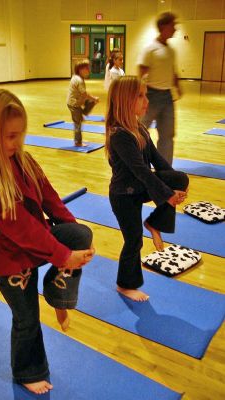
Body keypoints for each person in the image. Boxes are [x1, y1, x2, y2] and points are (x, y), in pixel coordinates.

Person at [0, 88, 94, 394]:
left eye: (20, 135)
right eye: (9, 137)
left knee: (80, 235)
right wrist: (62, 257)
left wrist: (74, 245)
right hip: (11, 263)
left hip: (35, 248)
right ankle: (26, 371)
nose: (16, 143)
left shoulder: (24, 160)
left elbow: (50, 197)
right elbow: (20, 227)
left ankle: (57, 295)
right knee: (27, 321)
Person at [105, 76, 189, 302]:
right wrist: (167, 196)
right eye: (140, 96)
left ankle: (154, 222)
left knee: (180, 177)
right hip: (124, 196)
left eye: (146, 95)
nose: (146, 101)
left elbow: (159, 162)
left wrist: (172, 185)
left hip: (139, 188)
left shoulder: (139, 128)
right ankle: (125, 285)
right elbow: (141, 170)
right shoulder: (119, 135)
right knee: (134, 240)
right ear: (124, 101)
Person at [137, 12, 181, 165]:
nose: (175, 28)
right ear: (163, 26)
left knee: (168, 135)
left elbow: (172, 71)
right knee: (140, 132)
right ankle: (139, 165)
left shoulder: (171, 50)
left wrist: (178, 86)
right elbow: (141, 72)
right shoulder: (150, 49)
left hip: (167, 97)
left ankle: (165, 169)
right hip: (151, 96)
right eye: (173, 25)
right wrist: (140, 95)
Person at [67, 59, 99, 146]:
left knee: (91, 101)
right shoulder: (79, 80)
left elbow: (84, 95)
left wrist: (92, 100)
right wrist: (94, 98)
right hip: (74, 104)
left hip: (78, 102)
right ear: (80, 70)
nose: (89, 70)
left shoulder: (77, 77)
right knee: (78, 124)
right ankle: (78, 142)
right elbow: (85, 94)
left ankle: (82, 114)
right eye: (86, 68)